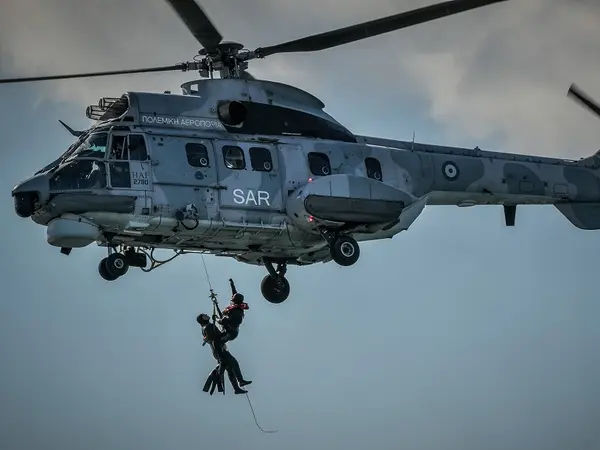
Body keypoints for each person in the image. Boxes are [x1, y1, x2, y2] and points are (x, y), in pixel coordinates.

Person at [196, 313, 252, 394]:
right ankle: (240, 381)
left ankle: (236, 388)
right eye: (204, 315)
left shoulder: (205, 327)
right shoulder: (208, 326)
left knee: (230, 369)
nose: (206, 314)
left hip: (217, 351)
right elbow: (214, 337)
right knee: (234, 362)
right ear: (202, 318)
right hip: (219, 351)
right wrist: (227, 332)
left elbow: (214, 336)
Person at [216, 278, 249, 343]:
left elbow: (223, 321)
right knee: (224, 319)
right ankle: (223, 337)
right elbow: (234, 292)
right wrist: (232, 284)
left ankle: (224, 338)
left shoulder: (237, 311)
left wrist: (216, 319)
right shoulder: (235, 304)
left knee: (224, 319)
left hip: (232, 332)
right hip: (228, 326)